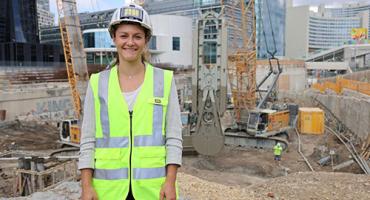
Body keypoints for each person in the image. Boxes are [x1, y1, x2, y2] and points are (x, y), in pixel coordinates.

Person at [78, 3, 183, 200]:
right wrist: (86, 185)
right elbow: (88, 139)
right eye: (124, 35)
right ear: (114, 38)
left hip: (153, 190)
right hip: (107, 191)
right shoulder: (98, 83)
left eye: (137, 36)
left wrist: (170, 182)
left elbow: (174, 138)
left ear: (146, 40)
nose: (130, 42)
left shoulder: (165, 81)